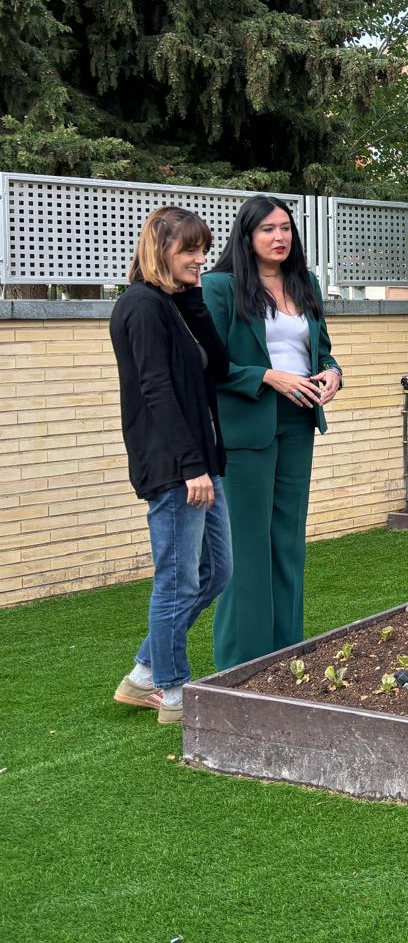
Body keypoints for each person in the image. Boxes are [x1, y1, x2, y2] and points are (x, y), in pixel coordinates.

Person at [203, 196, 342, 668]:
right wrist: (266, 376)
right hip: (245, 428)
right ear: (247, 236)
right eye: (267, 229)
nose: (279, 237)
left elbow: (321, 348)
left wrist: (332, 372)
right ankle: (242, 666)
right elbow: (209, 364)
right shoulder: (218, 287)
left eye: (285, 228)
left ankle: (287, 657)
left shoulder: (305, 284)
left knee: (287, 541)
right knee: (247, 549)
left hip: (298, 423)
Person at [109, 207, 233, 724]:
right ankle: (173, 690)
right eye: (189, 250)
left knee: (217, 572)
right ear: (160, 249)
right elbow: (154, 389)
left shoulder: (175, 304)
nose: (200, 257)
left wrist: (197, 296)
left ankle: (143, 673)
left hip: (201, 462)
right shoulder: (140, 306)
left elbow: (219, 367)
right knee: (177, 580)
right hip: (175, 468)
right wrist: (189, 467)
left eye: (203, 248)